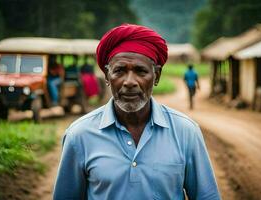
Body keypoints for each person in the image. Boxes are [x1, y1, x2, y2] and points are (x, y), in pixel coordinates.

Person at [53, 24, 220, 200]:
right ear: (107, 76)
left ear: (157, 76)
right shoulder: (79, 135)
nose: (129, 82)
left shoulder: (186, 131)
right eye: (119, 71)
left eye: (141, 71)